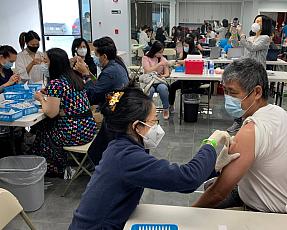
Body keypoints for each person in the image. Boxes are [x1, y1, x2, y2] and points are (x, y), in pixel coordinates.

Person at [69, 86, 239, 230]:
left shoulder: (120, 146)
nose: (157, 127)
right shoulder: (126, 157)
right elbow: (186, 178)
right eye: (153, 121)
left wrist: (214, 167)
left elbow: (169, 174)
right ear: (137, 126)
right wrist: (210, 143)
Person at [193, 58, 287, 212]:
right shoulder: (278, 112)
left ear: (257, 92)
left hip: (268, 213)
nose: (228, 98)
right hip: (286, 202)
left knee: (212, 191)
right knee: (210, 185)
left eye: (233, 93)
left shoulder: (251, 130)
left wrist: (189, 212)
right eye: (226, 91)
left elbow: (218, 193)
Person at [30, 48, 97, 178]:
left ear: (54, 63)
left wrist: (41, 98)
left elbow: (50, 113)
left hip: (74, 133)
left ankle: (57, 168)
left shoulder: (56, 83)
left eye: (46, 60)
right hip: (89, 129)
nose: (43, 63)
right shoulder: (74, 78)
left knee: (42, 132)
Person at [75, 36, 129, 166]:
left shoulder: (110, 71)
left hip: (113, 115)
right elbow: (100, 86)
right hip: (118, 109)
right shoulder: (118, 64)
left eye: (96, 54)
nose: (95, 57)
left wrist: (86, 75)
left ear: (104, 56)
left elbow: (92, 96)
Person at [230, 15, 272, 134]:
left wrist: (242, 34)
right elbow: (236, 45)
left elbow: (252, 48)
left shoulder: (265, 38)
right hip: (246, 71)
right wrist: (234, 33)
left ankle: (256, 123)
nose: (256, 23)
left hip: (257, 72)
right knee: (241, 97)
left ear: (265, 25)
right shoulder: (251, 37)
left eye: (259, 21)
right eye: (256, 21)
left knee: (255, 98)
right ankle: (238, 121)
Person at [169, 37, 202, 113]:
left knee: (173, 87)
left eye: (186, 45)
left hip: (193, 80)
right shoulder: (185, 53)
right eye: (184, 45)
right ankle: (171, 105)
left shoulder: (195, 53)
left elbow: (186, 62)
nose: (184, 47)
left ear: (190, 45)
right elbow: (182, 62)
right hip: (185, 78)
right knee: (172, 87)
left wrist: (177, 61)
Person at [142, 41, 170, 119]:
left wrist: (162, 76)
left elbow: (167, 73)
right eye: (159, 52)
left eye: (162, 52)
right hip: (149, 81)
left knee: (163, 89)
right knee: (149, 91)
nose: (161, 54)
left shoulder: (162, 59)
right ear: (154, 50)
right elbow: (147, 70)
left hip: (159, 81)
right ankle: (148, 111)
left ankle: (166, 109)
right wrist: (159, 64)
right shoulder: (145, 58)